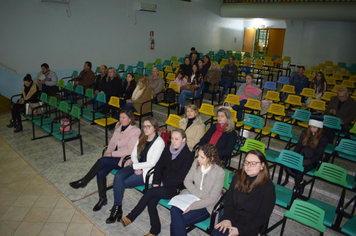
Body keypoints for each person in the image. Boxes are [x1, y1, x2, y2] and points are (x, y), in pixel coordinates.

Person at [120, 129, 194, 236]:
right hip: (162, 184)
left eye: (177, 139)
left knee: (150, 193)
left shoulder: (188, 155)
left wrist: (160, 185)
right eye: (172, 138)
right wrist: (156, 182)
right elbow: (159, 166)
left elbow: (181, 177)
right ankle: (155, 230)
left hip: (175, 188)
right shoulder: (168, 148)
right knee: (151, 202)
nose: (173, 141)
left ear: (184, 140)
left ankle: (131, 217)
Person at [69, 109, 140, 211]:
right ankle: (102, 199)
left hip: (125, 160)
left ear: (130, 119)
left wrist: (111, 154)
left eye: (123, 118)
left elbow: (129, 151)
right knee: (100, 172)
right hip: (114, 158)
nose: (121, 119)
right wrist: (108, 153)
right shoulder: (119, 127)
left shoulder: (135, 131)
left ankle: (84, 181)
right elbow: (111, 143)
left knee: (102, 161)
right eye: (120, 117)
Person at [106, 117, 165, 224]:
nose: (145, 129)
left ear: (155, 128)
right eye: (144, 126)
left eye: (148, 127)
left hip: (146, 172)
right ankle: (117, 207)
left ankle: (116, 209)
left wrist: (137, 167)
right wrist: (136, 165)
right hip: (135, 165)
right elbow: (133, 153)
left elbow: (152, 163)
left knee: (121, 183)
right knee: (118, 176)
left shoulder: (159, 143)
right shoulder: (142, 137)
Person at [211, 150, 276, 236]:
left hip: (248, 228)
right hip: (231, 219)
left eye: (253, 163)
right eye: (246, 162)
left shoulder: (268, 188)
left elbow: (262, 217)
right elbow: (229, 201)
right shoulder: (237, 177)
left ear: (262, 166)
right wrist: (227, 219)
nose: (248, 166)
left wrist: (240, 231)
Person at [170, 144, 225, 236]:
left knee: (177, 222)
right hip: (191, 196)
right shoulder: (196, 163)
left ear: (211, 159)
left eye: (202, 157)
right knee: (174, 210)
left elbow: (211, 199)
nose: (198, 158)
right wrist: (199, 194)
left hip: (207, 205)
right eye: (198, 155)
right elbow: (187, 181)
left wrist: (191, 206)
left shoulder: (219, 173)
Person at [285, 117, 327, 186]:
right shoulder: (305, 133)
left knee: (299, 172)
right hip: (301, 156)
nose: (312, 129)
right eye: (310, 127)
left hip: (311, 160)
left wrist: (305, 162)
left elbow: (318, 155)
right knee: (287, 168)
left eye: (314, 127)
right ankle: (302, 181)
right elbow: (298, 146)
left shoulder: (323, 138)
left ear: (319, 128)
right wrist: (294, 157)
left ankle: (297, 188)